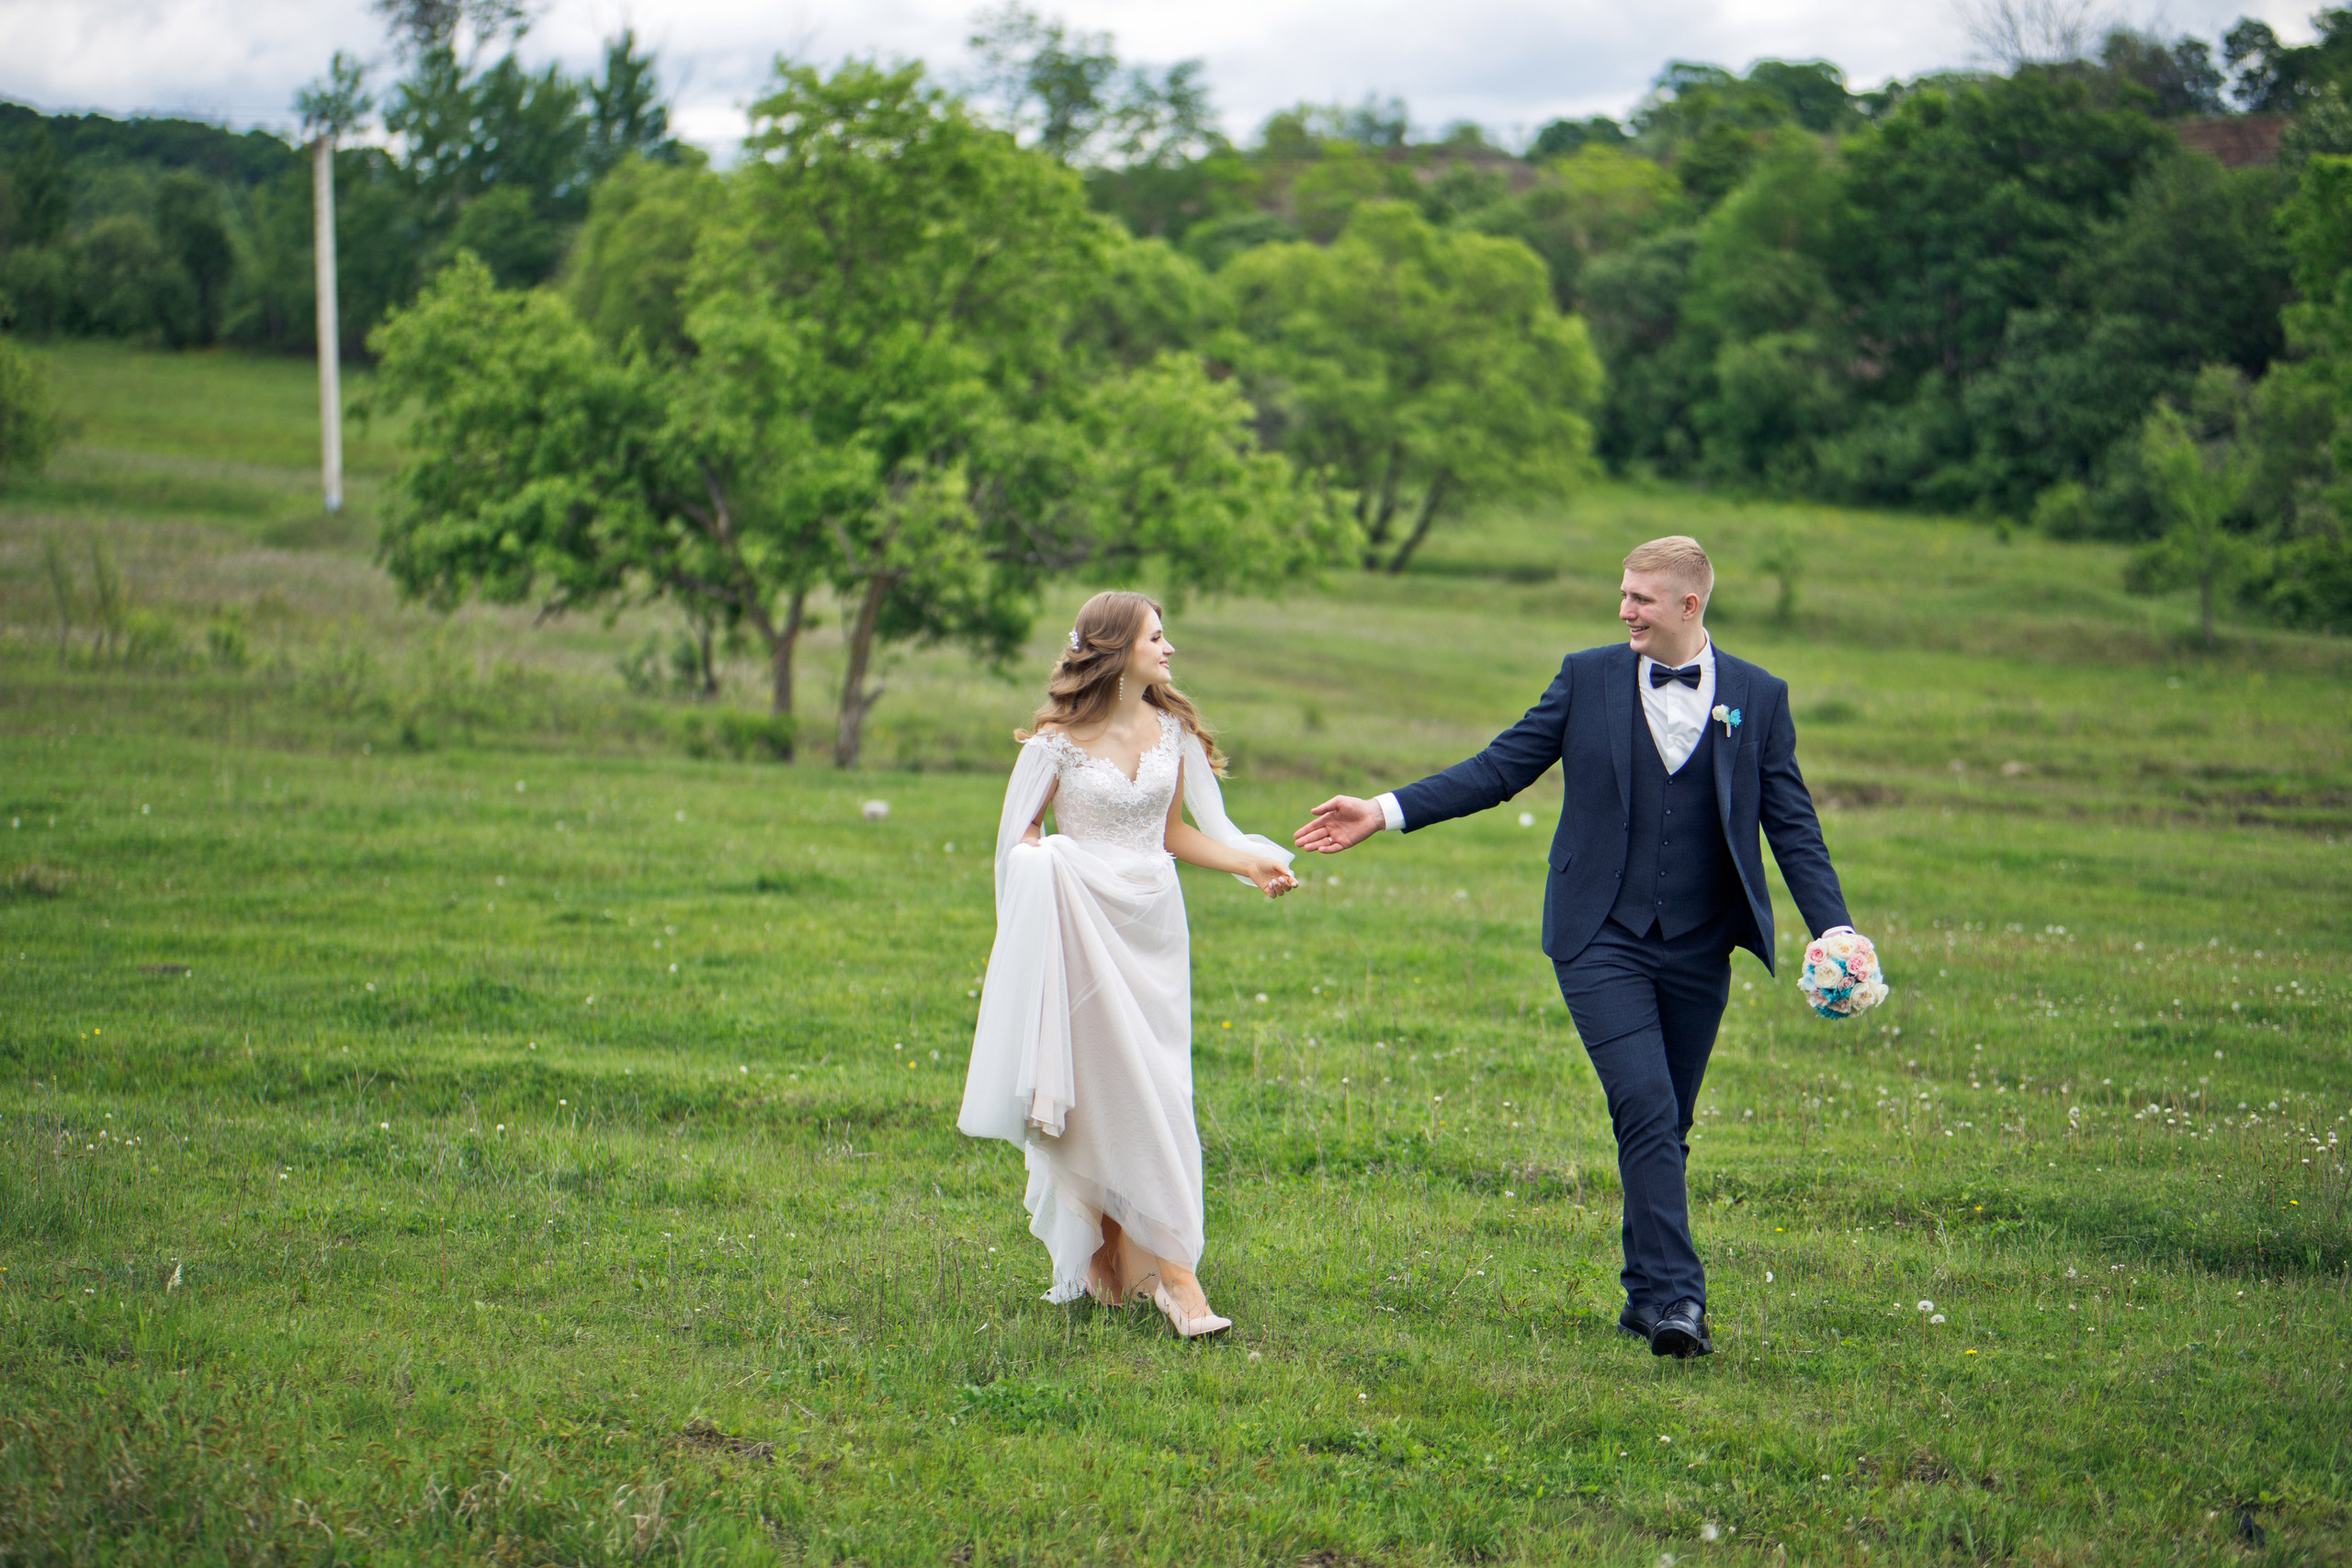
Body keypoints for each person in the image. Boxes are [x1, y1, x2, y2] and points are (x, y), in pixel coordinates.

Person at [1293, 536, 1857, 1359]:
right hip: (1600, 935)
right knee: (1649, 1107)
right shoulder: (1586, 677)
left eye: (1642, 598)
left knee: (1667, 1120)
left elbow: (1792, 824)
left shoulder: (1758, 699)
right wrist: (1384, 808)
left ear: (1689, 606)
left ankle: (1641, 1296)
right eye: (1623, 593)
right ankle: (1677, 1303)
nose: (1624, 609)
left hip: (1702, 945)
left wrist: (1834, 926)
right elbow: (1499, 768)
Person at [959, 590, 1298, 1337]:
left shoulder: (1170, 729)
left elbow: (1175, 832)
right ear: (1117, 648)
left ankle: (1119, 1262)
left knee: (1160, 1088)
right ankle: (1181, 1282)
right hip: (1084, 928)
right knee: (1113, 1091)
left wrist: (1248, 864)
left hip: (1152, 928)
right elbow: (1016, 844)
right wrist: (1048, 864)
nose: (1170, 647)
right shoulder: (1052, 744)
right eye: (1156, 635)